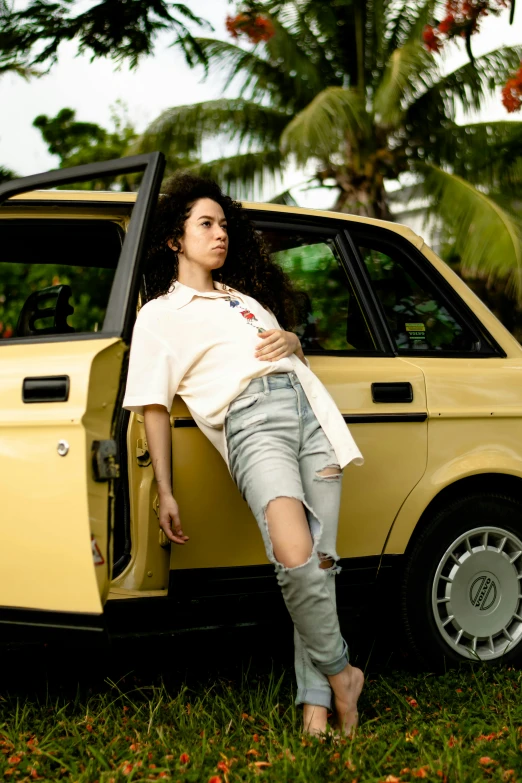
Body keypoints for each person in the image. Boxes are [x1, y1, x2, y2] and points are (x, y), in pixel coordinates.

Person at [122, 172, 365, 736]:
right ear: (174, 240)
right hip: (252, 422)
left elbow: (285, 356)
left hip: (311, 414)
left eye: (224, 224)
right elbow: (153, 407)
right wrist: (165, 490)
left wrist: (296, 342)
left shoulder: (244, 300)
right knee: (295, 555)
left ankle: (316, 706)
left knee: (321, 568)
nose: (219, 234)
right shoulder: (160, 314)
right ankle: (342, 671)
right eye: (205, 224)